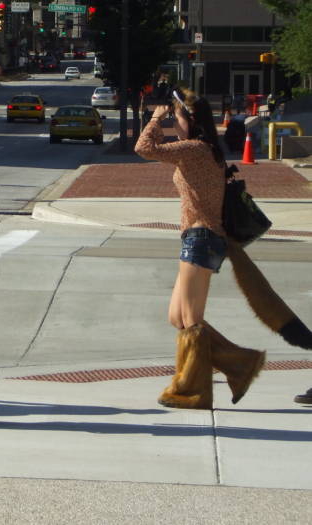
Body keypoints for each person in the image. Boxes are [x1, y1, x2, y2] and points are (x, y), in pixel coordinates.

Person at [134, 87, 266, 410]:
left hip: (201, 238)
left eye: (176, 118)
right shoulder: (204, 150)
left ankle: (193, 391)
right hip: (199, 239)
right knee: (177, 317)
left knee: (191, 321)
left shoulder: (195, 149)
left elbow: (144, 147)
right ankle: (239, 364)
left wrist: (154, 119)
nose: (173, 123)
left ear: (190, 120)